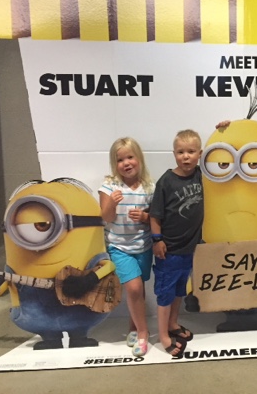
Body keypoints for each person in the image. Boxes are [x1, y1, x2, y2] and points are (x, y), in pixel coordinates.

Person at [150, 129, 203, 357]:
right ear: (174, 154)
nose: (186, 156)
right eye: (181, 152)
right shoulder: (166, 181)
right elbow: (155, 215)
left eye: (191, 152)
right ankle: (163, 336)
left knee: (180, 289)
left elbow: (223, 158)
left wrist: (225, 127)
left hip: (189, 249)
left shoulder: (201, 174)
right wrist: (157, 240)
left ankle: (173, 323)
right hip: (169, 250)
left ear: (200, 154)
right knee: (166, 294)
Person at [99, 137, 154, 356]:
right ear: (114, 164)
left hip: (144, 245)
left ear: (139, 158)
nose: (126, 163)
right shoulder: (109, 186)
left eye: (130, 157)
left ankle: (133, 326)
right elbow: (105, 218)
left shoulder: (149, 187)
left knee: (139, 289)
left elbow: (156, 218)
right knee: (133, 288)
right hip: (119, 247)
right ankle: (143, 333)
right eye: (120, 160)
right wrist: (112, 203)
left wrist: (145, 217)